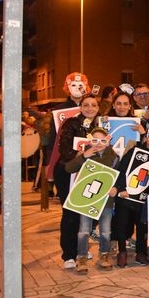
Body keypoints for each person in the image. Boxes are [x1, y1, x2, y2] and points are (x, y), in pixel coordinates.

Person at [64, 127, 118, 273]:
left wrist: (116, 189)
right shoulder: (85, 154)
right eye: (95, 140)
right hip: (86, 200)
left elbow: (120, 177)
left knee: (106, 231)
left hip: (106, 200)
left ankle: (104, 255)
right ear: (89, 140)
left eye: (102, 140)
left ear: (108, 141)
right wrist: (83, 157)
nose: (98, 143)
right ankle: (81, 257)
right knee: (84, 230)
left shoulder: (114, 157)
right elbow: (68, 168)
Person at [113, 126, 149, 267]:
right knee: (122, 224)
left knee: (142, 226)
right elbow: (122, 169)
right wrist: (121, 188)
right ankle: (122, 252)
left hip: (144, 198)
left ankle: (141, 253)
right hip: (126, 195)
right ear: (145, 137)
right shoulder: (134, 150)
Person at [56, 92, 99, 269]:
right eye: (86, 105)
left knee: (88, 213)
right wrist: (81, 154)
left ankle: (81, 248)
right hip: (69, 173)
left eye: (94, 105)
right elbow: (64, 150)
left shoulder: (100, 125)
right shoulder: (71, 124)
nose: (90, 108)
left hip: (90, 174)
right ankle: (69, 255)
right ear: (80, 107)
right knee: (70, 215)